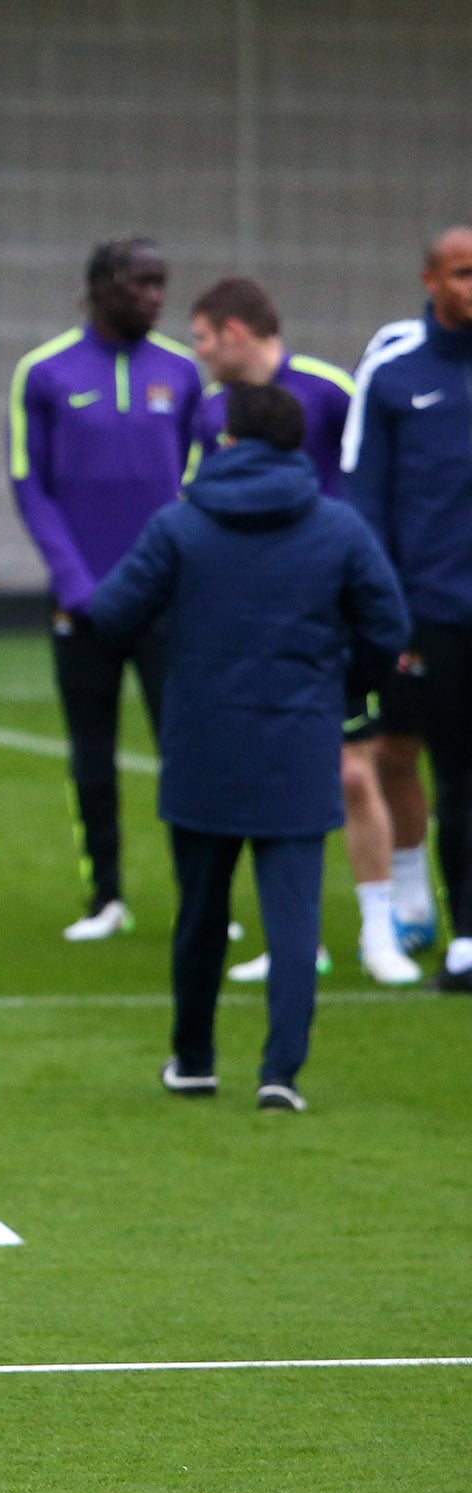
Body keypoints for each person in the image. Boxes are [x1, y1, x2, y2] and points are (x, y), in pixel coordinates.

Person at [91, 384, 408, 1111]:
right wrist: (338, 681)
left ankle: (194, 1060)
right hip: (298, 740)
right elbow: (387, 627)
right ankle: (280, 1074)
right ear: (297, 446)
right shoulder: (338, 526)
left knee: (201, 913)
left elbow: (111, 615)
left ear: (227, 441)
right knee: (293, 915)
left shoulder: (180, 525)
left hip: (203, 740)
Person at [186, 277, 420, 987]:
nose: (195, 353)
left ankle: (382, 931)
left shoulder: (328, 391)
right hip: (255, 621)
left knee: (354, 772)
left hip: (331, 613)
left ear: (233, 331)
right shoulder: (208, 413)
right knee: (270, 779)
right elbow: (196, 499)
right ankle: (297, 937)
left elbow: (372, 479)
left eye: (199, 338)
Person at [8, 237, 202, 941]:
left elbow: (199, 483)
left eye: (161, 283)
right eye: (141, 283)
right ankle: (106, 897)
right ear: (100, 287)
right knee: (91, 751)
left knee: (183, 745)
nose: (155, 297)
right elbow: (30, 483)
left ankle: (198, 891)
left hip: (167, 600)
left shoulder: (183, 372)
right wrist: (74, 582)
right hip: (81, 601)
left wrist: (174, 575)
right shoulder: (44, 372)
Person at [343, 226, 472, 990]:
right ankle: (416, 896)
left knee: (465, 775)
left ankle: (461, 932)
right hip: (426, 610)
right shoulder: (394, 370)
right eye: (463, 273)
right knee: (400, 752)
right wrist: (382, 609)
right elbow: (364, 497)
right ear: (430, 280)